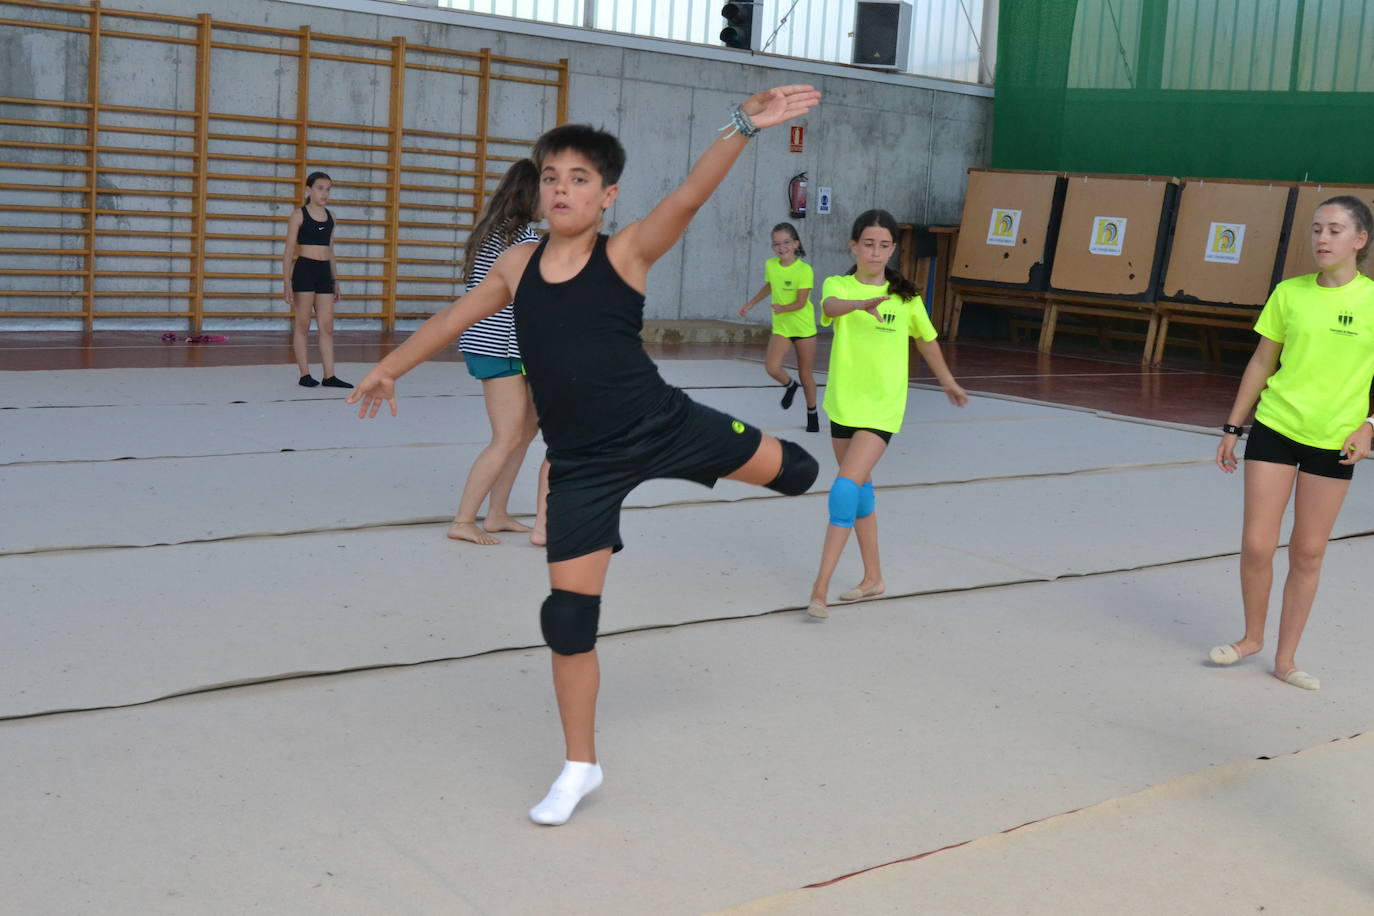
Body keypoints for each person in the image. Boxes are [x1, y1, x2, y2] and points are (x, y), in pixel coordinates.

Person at [348, 85, 822, 825]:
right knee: (567, 619)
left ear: (607, 196)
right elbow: (452, 318)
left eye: (578, 179)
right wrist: (390, 366)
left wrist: (741, 125)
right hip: (580, 465)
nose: (561, 188)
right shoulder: (515, 264)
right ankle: (579, 767)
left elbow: (691, 197)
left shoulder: (627, 250)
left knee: (800, 475)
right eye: (550, 177)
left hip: (663, 423)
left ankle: (790, 457)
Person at [1210, 195, 1374, 691]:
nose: (1322, 239)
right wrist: (1234, 426)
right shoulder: (1289, 293)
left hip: (1334, 440)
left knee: (1307, 552)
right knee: (1258, 544)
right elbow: (1262, 362)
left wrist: (1369, 425)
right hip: (1277, 427)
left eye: (1335, 230)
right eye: (1317, 229)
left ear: (1359, 241)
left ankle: (1285, 659)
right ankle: (1251, 638)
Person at [806, 209, 968, 619]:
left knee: (844, 489)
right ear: (854, 246)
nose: (875, 252)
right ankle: (873, 578)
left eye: (883, 246)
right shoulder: (838, 284)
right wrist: (861, 302)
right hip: (844, 404)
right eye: (868, 244)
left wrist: (947, 380)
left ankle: (819, 588)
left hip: (883, 408)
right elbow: (831, 305)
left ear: (892, 249)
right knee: (860, 492)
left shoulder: (907, 299)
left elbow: (928, 342)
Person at [449, 159, 544, 545]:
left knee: (525, 431)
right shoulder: (521, 242)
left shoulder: (498, 233)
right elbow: (532, 300)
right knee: (507, 437)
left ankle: (498, 513)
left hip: (504, 345)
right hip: (500, 347)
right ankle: (463, 520)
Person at [737, 222, 820, 431]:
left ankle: (812, 413)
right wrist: (751, 303)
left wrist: (783, 308)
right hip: (782, 327)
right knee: (772, 367)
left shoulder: (804, 270)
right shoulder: (771, 265)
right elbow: (770, 286)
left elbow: (801, 302)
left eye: (786, 243)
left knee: (806, 374)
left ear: (795, 244)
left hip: (804, 329)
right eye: (776, 244)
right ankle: (789, 386)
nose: (781, 247)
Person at [282, 171, 351, 388]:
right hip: (305, 270)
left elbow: (330, 250)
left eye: (328, 189)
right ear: (309, 190)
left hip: (323, 273)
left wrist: (335, 280)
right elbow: (288, 251)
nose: (325, 193)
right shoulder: (298, 215)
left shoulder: (331, 217)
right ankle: (304, 374)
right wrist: (286, 283)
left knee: (327, 326)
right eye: (320, 188)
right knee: (303, 325)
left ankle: (329, 376)